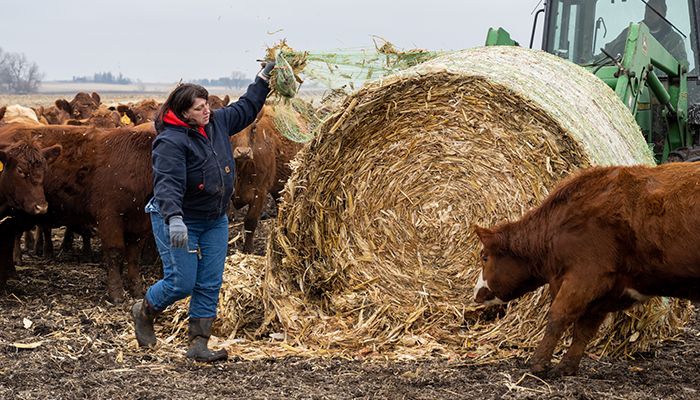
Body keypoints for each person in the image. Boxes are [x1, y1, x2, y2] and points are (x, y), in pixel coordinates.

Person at [131, 61, 275, 362]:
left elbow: (247, 107)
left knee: (210, 280)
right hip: (178, 218)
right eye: (198, 108)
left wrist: (262, 79)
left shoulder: (217, 123)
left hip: (213, 219)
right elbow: (167, 183)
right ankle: (144, 310)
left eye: (206, 104)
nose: (206, 111)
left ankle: (199, 343)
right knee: (181, 282)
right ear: (183, 112)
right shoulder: (170, 141)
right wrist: (174, 219)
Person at [603, 0, 687, 64]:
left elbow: (681, 69)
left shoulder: (674, 40)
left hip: (662, 84)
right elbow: (610, 51)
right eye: (648, 10)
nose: (650, 14)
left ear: (663, 14)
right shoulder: (630, 33)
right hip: (630, 80)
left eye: (654, 11)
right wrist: (592, 62)